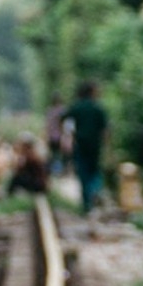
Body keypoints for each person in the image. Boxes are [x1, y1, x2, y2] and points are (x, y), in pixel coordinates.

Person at [62, 81, 108, 214]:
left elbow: (64, 120)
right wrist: (107, 147)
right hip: (95, 145)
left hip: (80, 144)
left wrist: (68, 136)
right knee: (94, 171)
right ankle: (95, 192)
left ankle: (87, 203)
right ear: (92, 92)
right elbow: (105, 130)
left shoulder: (76, 107)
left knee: (83, 173)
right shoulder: (98, 108)